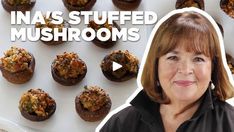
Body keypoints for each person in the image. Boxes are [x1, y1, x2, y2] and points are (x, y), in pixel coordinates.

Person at [98, 8, 234, 132]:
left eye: (198, 59)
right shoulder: (121, 124)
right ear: (155, 65)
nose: (185, 70)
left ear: (213, 67)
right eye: (173, 57)